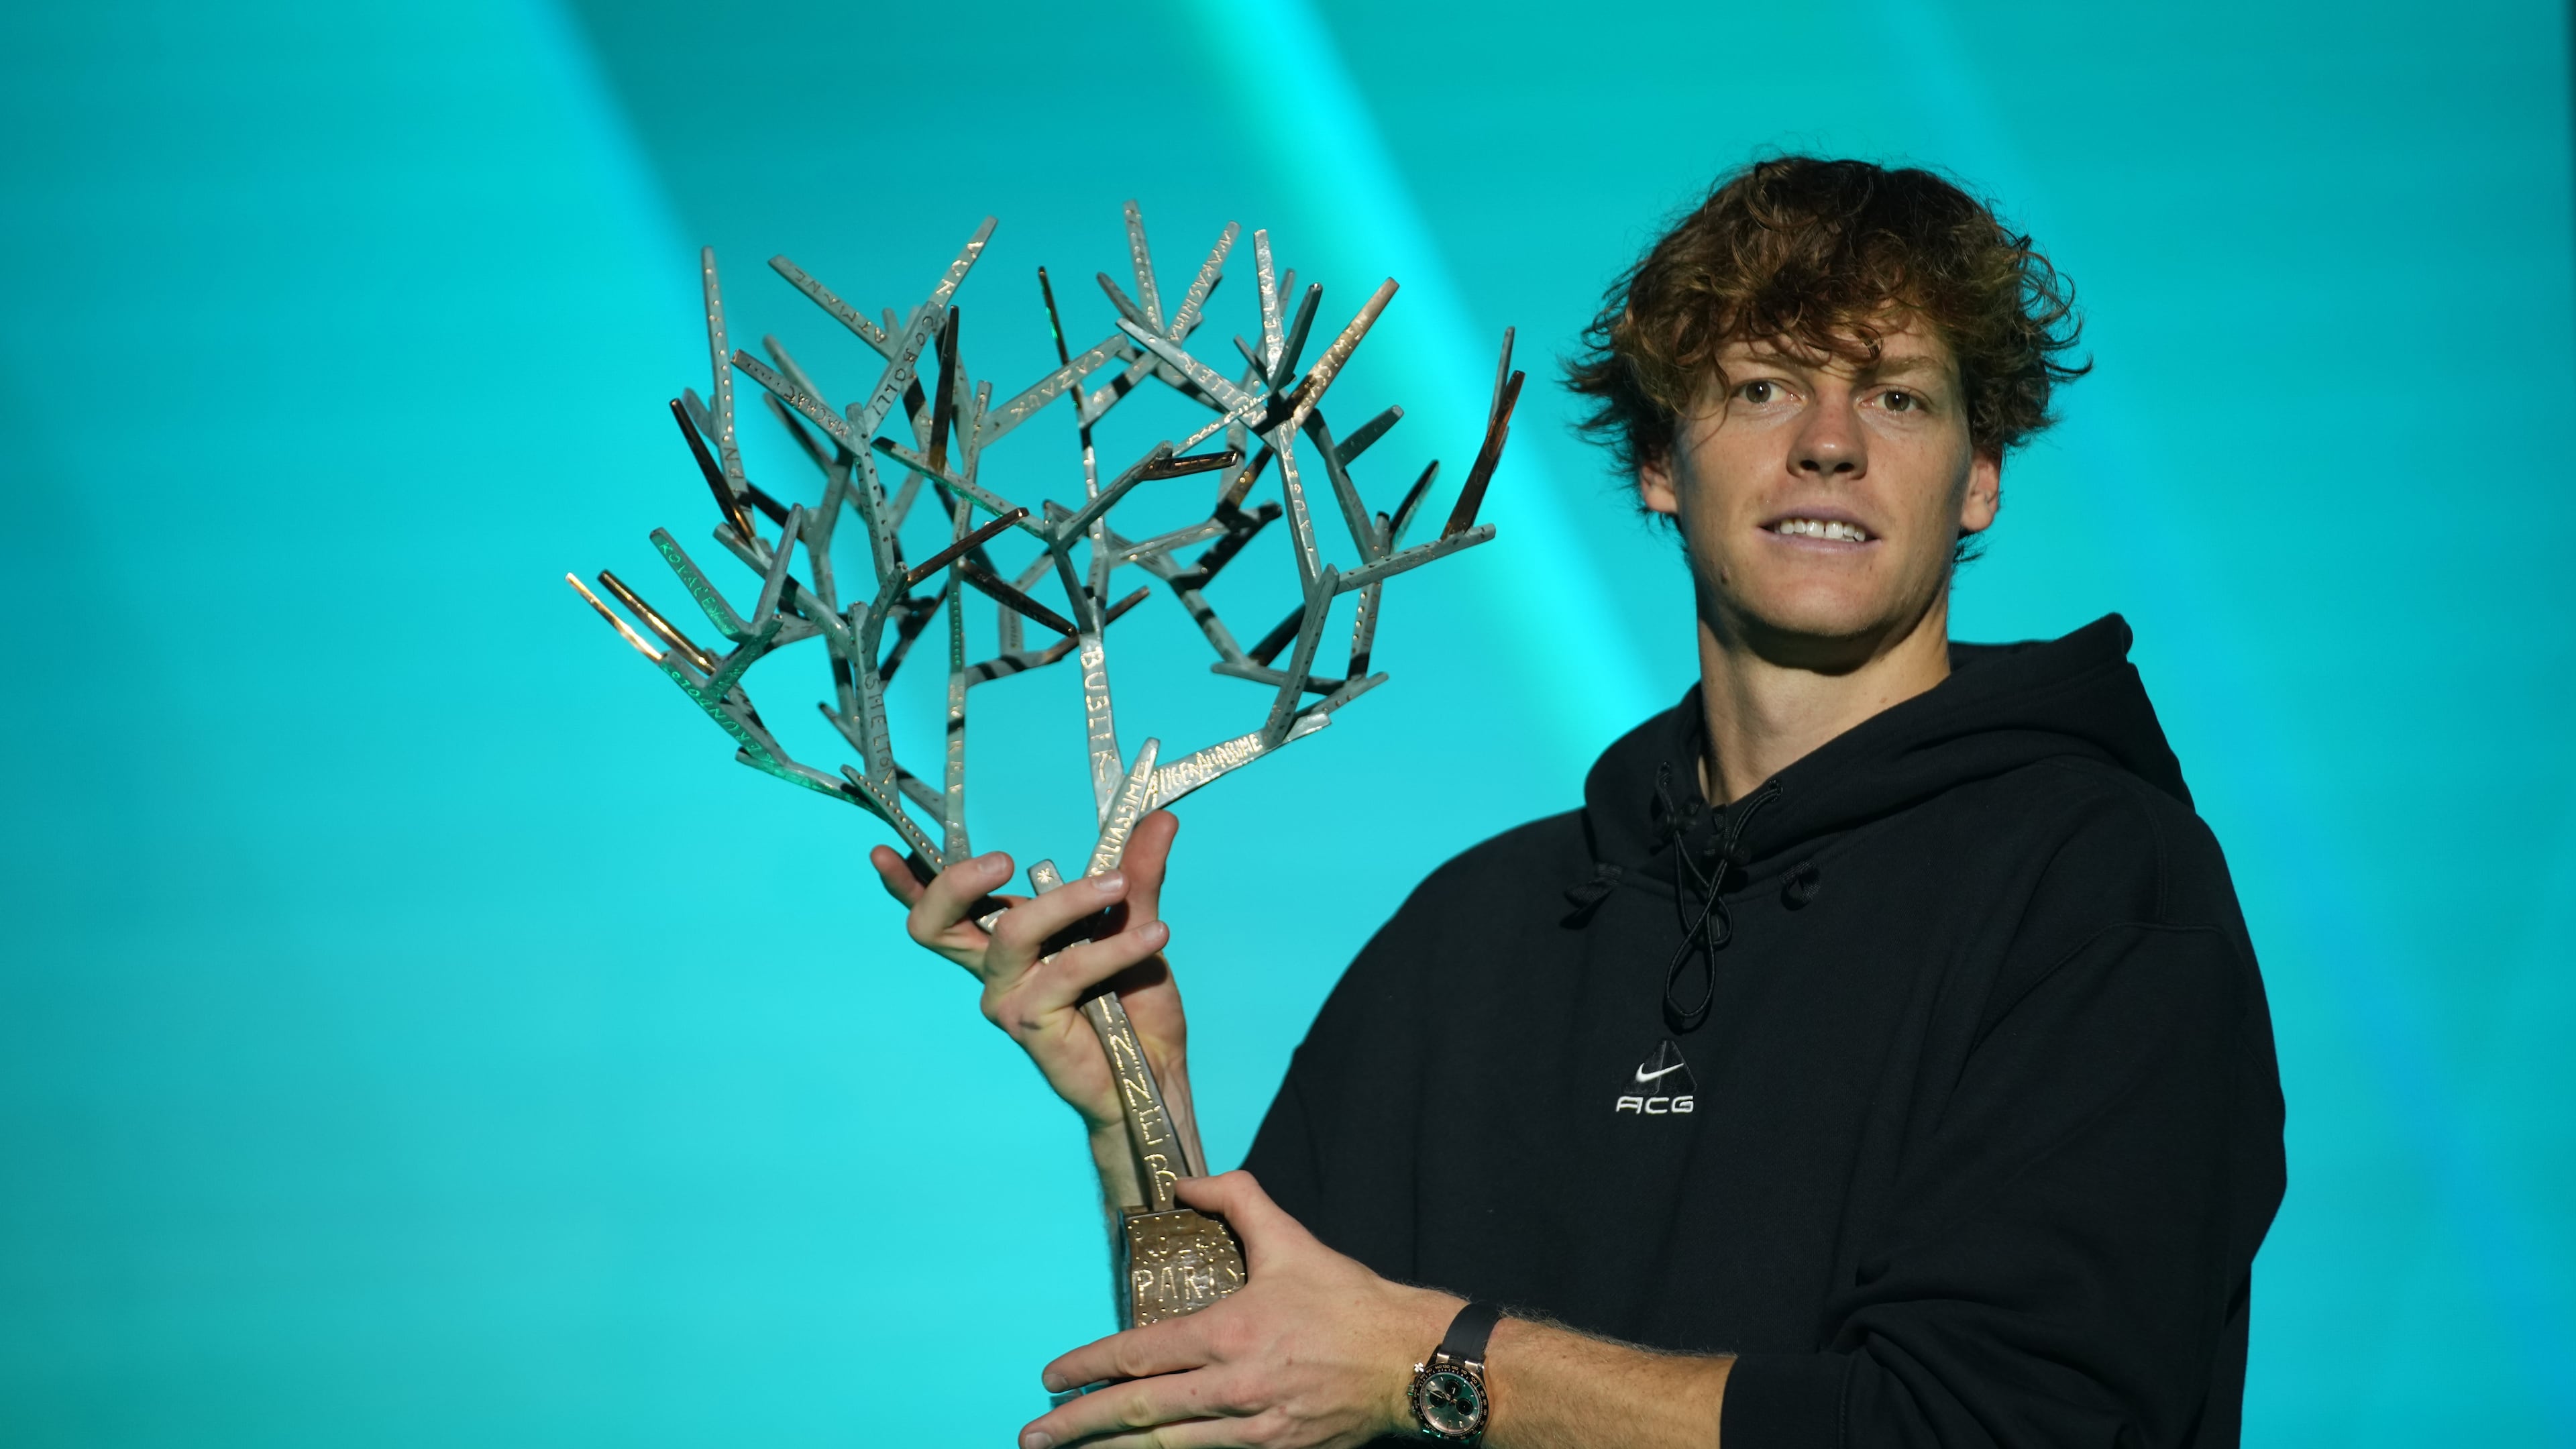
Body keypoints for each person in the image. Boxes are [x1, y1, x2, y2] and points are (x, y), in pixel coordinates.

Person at [871, 156, 2287, 1449]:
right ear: (1663, 464)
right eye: (1764, 388)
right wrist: (1138, 1102)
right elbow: (1236, 1412)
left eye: (1900, 396)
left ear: (1978, 479)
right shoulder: (1481, 928)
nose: (1833, 444)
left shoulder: (2103, 888)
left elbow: (2000, 1432)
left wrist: (1438, 1365)